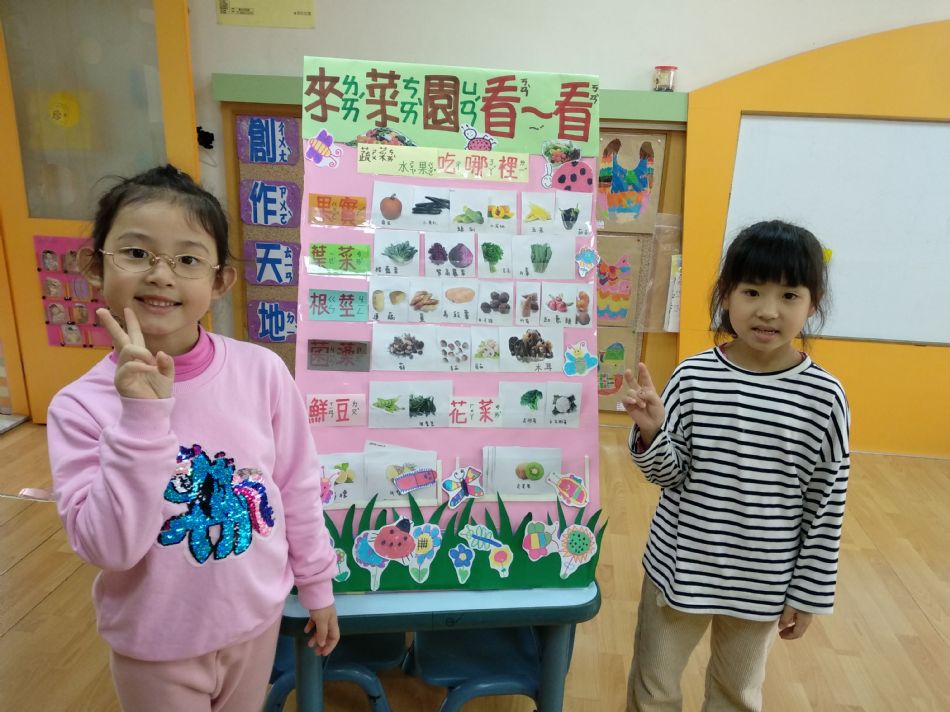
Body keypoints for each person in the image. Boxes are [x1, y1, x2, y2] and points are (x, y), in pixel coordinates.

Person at [47, 165, 339, 712]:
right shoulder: (80, 406)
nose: (161, 275)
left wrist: (317, 585)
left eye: (187, 260)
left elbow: (296, 485)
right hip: (156, 645)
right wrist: (142, 416)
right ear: (95, 266)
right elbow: (109, 548)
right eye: (136, 253)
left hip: (254, 623)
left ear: (220, 281)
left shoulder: (261, 372)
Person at [622, 220, 850, 712]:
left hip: (764, 580)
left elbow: (826, 503)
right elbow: (670, 474)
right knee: (654, 687)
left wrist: (808, 593)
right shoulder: (694, 376)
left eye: (789, 295)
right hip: (679, 568)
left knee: (737, 695)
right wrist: (652, 432)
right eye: (752, 291)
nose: (768, 310)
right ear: (726, 295)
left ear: (813, 303)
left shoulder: (825, 397)